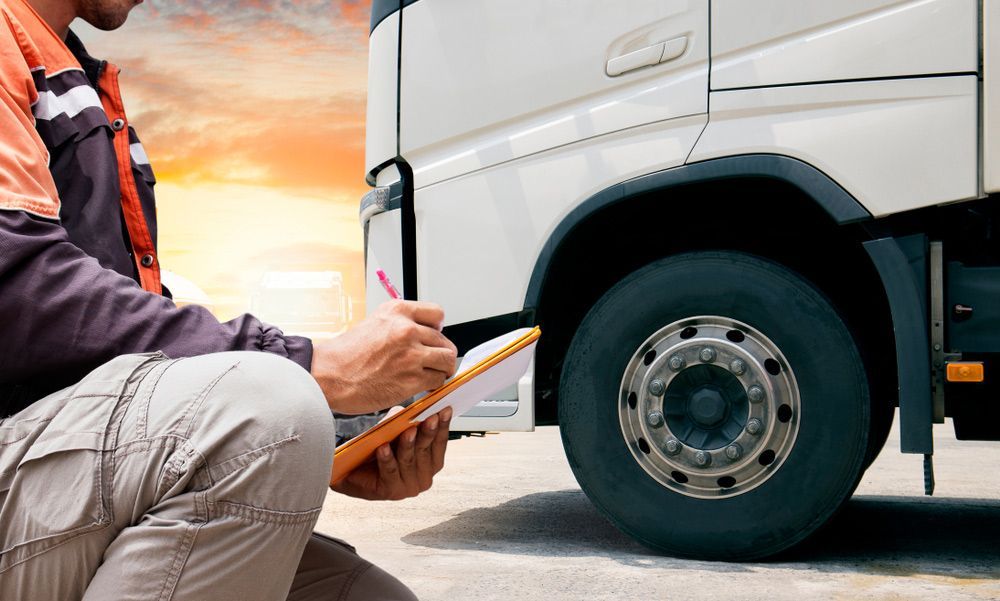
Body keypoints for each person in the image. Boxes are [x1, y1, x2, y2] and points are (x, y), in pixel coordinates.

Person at [0, 0, 459, 598]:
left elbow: (109, 357)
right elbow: (18, 288)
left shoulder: (76, 74)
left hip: (45, 460)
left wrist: (336, 439)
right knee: (265, 407)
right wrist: (310, 368)